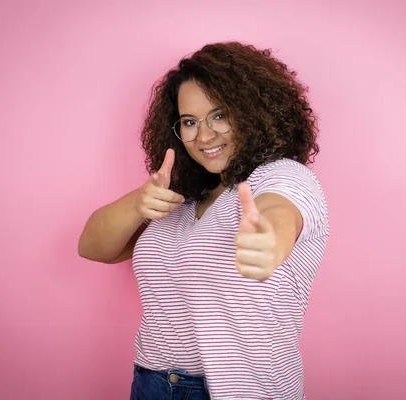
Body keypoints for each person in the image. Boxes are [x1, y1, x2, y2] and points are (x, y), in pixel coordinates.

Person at [78, 41, 330, 400]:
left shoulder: (282, 177)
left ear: (253, 112)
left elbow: (280, 214)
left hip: (241, 391)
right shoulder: (178, 196)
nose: (204, 135)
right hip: (152, 384)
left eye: (220, 115)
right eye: (189, 122)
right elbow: (91, 247)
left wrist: (267, 243)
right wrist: (139, 201)